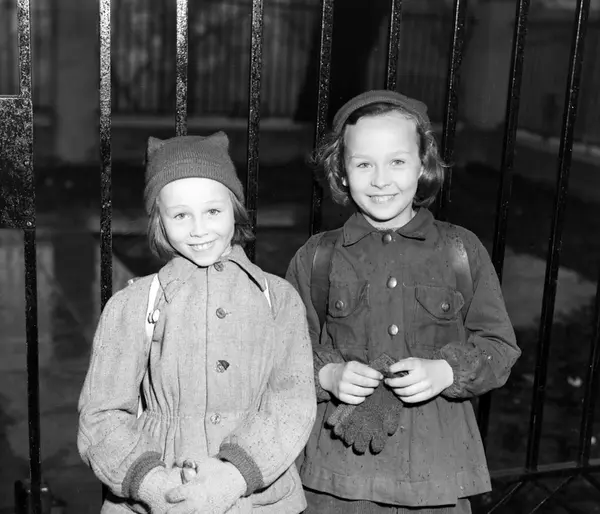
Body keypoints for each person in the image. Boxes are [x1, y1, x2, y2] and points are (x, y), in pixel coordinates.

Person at [285, 90, 521, 514]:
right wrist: (327, 375)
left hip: (437, 477)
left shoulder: (460, 250)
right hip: (338, 478)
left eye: (397, 161)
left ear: (422, 165)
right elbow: (283, 352)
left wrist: (448, 370)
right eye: (363, 164)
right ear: (341, 171)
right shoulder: (317, 257)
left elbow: (500, 347)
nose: (380, 180)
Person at [78, 132, 316, 514]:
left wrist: (234, 477)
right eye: (180, 215)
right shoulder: (132, 305)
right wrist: (158, 488)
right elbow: (101, 416)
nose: (199, 228)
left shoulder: (278, 299)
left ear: (234, 209)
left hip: (258, 500)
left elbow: (292, 404)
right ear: (159, 220)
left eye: (213, 212)